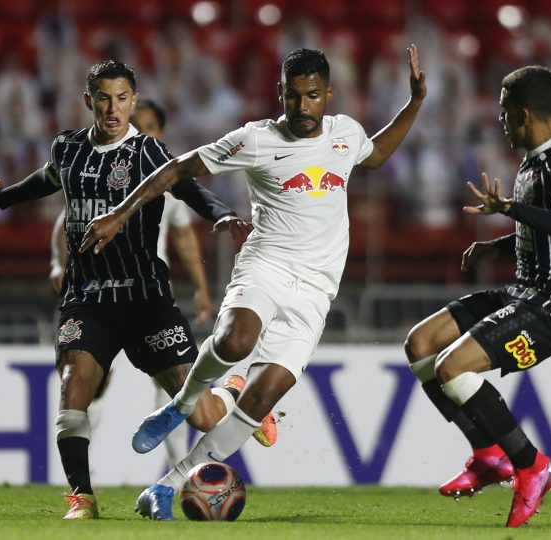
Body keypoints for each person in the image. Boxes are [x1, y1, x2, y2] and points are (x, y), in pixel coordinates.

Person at [80, 45, 427, 520]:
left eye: (312, 96)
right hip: (266, 264)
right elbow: (178, 169)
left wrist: (415, 102)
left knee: (261, 399)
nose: (302, 108)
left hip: (315, 292)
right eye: (293, 97)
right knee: (236, 339)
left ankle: (168, 484)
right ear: (279, 93)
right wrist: (121, 213)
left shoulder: (346, 133)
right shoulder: (256, 139)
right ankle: (182, 404)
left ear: (329, 93)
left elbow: (379, 153)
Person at [0, 59, 274, 520]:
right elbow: (43, 182)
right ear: (88, 101)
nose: (113, 109)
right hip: (88, 296)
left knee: (199, 412)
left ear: (133, 101)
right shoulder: (67, 150)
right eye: (104, 98)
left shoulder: (148, 153)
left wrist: (218, 214)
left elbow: (189, 188)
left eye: (122, 99)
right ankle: (83, 498)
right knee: (74, 386)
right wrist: (3, 196)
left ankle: (235, 392)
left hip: (145, 299)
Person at [403, 66, 551, 527]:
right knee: (422, 343)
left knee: (452, 367)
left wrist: (509, 209)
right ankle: (488, 455)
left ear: (524, 114)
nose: (501, 124)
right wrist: (499, 244)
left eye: (504, 116)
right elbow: (546, 231)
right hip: (524, 289)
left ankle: (532, 465)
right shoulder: (535, 161)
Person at [47, 99, 233, 470]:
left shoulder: (166, 179)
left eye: (150, 126)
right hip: (98, 294)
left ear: (160, 134)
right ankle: (87, 480)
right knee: (90, 385)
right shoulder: (99, 172)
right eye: (138, 124)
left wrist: (201, 287)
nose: (141, 132)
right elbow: (65, 221)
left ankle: (180, 470)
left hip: (150, 296)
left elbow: (184, 237)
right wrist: (58, 263)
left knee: (183, 396)